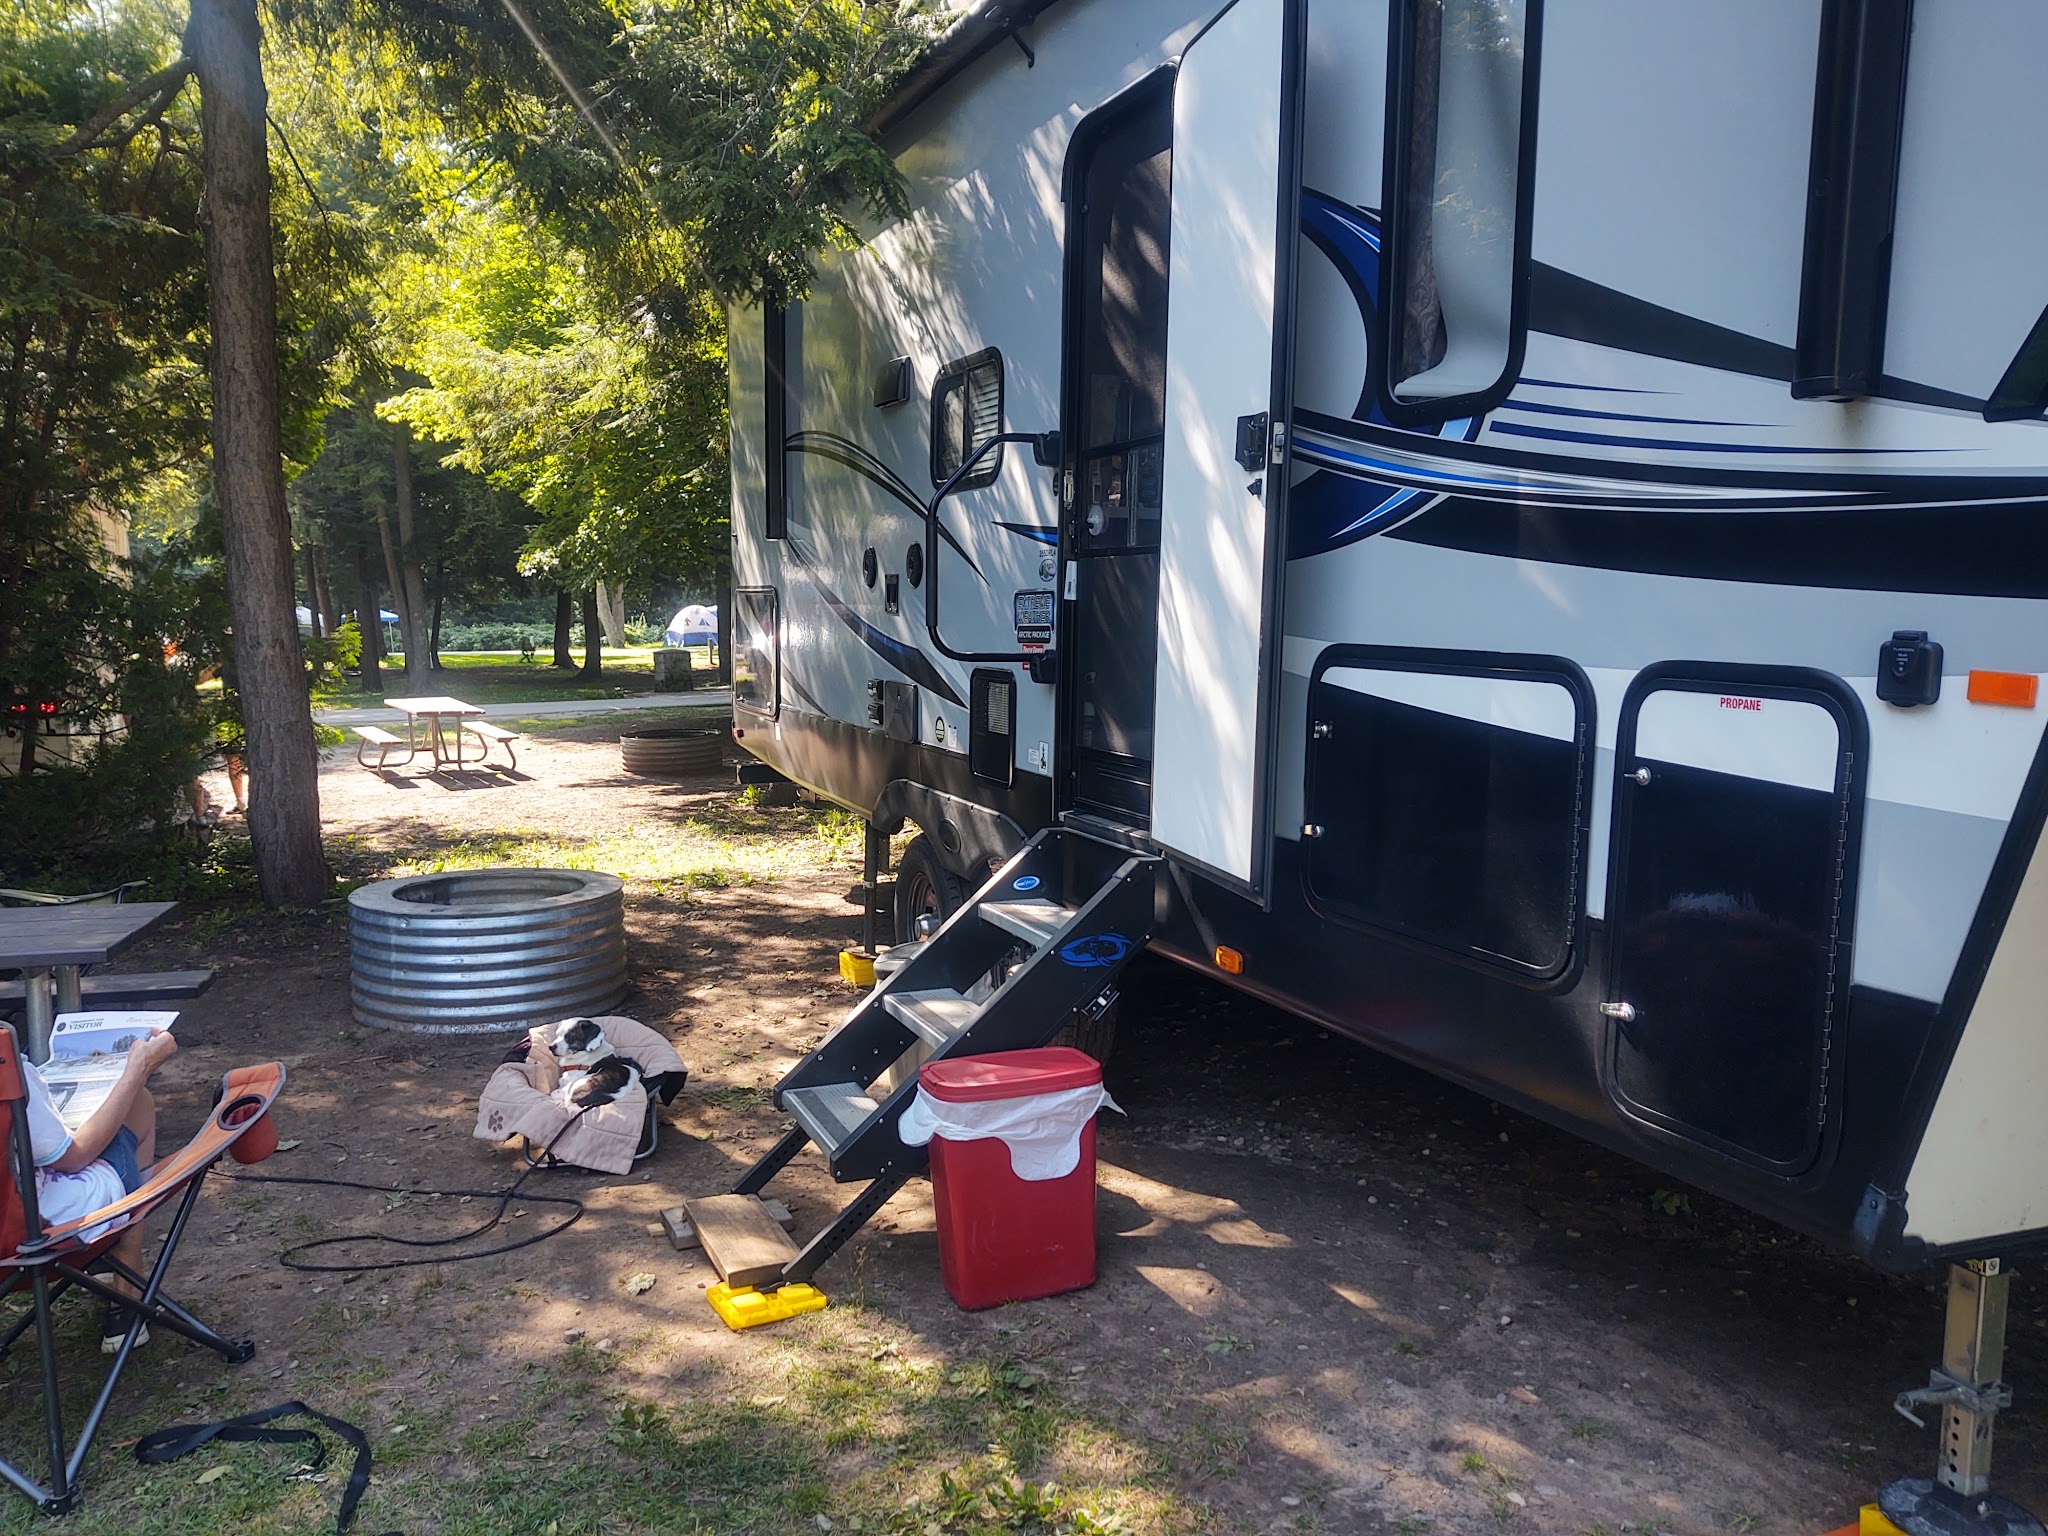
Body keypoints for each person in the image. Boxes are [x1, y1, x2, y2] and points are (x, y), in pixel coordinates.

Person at [20, 1031, 178, 1353]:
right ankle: (127, 1293)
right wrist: (138, 1070)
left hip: (12, 1226)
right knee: (137, 1103)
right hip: (36, 1232)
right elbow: (72, 1158)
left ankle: (106, 1265)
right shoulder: (7, 1067)